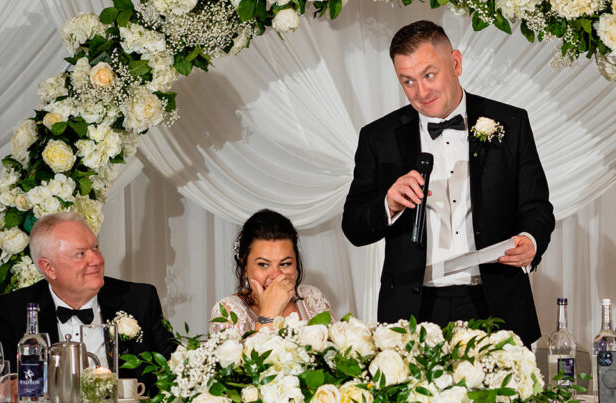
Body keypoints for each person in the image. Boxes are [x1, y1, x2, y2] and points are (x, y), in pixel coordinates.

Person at [341, 20, 554, 345]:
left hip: (495, 301)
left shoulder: (511, 122)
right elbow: (354, 227)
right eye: (408, 81)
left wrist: (530, 240)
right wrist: (388, 204)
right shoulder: (378, 138)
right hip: (413, 309)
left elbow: (536, 207)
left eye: (429, 75)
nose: (421, 92)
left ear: (455, 63)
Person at [0, 212, 174, 392]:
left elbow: (174, 366)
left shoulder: (138, 299)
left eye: (95, 248)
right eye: (80, 254)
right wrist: (6, 387)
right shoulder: (16, 308)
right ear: (49, 268)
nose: (97, 260)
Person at [212, 209, 331, 333]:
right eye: (263, 264)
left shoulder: (312, 298)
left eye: (285, 264)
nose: (276, 276)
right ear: (244, 267)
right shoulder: (227, 311)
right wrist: (269, 312)